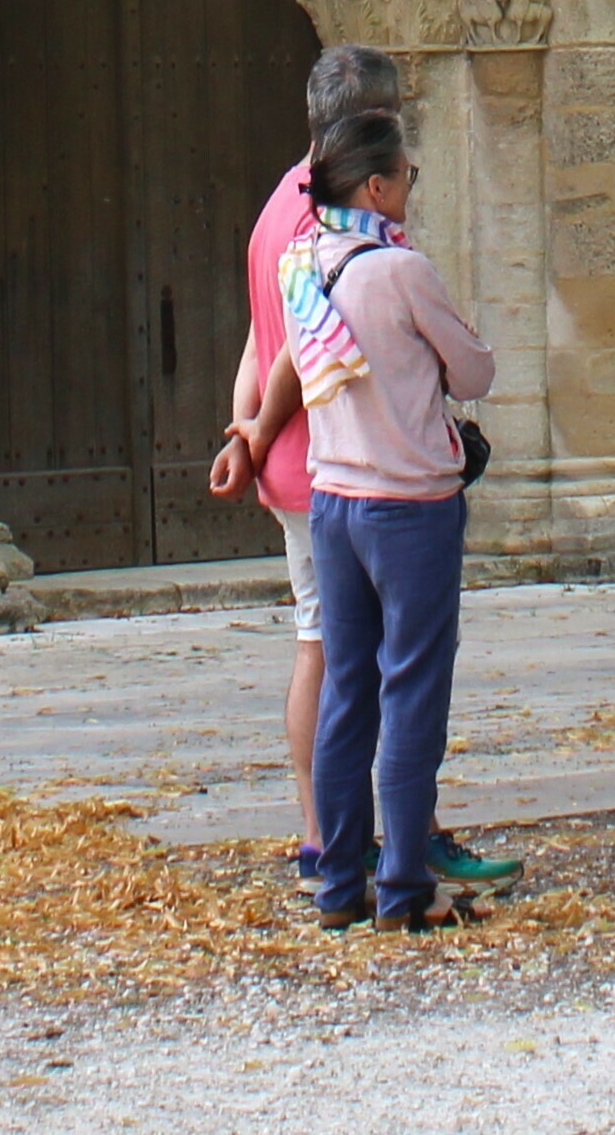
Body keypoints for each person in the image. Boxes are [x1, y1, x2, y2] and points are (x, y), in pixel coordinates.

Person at [216, 48, 521, 904]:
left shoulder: (292, 230)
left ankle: (334, 862)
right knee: (393, 674)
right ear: (373, 157)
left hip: (318, 474)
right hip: (381, 480)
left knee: (341, 666)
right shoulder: (385, 255)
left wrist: (248, 431)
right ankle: (392, 863)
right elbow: (467, 369)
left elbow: (265, 342)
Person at [283, 107, 493, 929]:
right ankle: (405, 886)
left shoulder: (301, 264)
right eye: (406, 173)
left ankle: (338, 882)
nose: (410, 185)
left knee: (348, 690)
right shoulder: (400, 270)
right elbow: (471, 371)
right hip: (410, 503)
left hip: (333, 496)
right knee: (412, 692)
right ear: (375, 184)